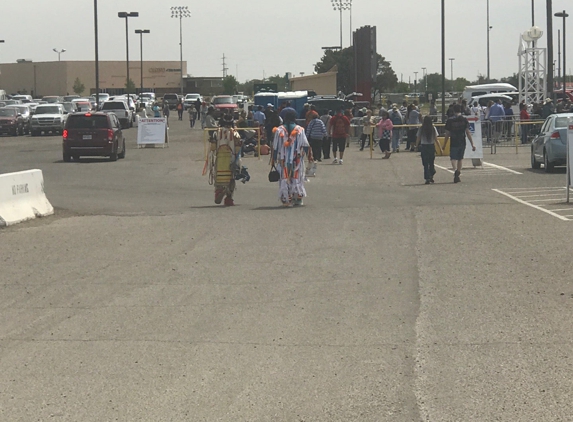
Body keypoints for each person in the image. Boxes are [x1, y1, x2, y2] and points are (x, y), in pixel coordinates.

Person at [272, 110, 310, 207]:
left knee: (284, 178)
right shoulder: (300, 130)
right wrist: (308, 155)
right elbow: (305, 144)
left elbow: (275, 147)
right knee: (296, 177)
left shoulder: (279, 130)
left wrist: (273, 159)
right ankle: (297, 198)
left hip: (282, 159)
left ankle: (286, 199)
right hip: (296, 158)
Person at [207, 114, 244, 206]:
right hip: (231, 158)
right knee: (231, 178)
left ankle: (219, 192)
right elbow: (237, 149)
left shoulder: (217, 132)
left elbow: (213, 147)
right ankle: (228, 198)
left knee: (219, 178)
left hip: (220, 159)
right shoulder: (235, 133)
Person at [443, 104, 476, 183]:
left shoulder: (450, 120)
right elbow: (468, 132)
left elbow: (447, 134)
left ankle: (455, 170)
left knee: (453, 158)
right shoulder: (464, 120)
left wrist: (444, 145)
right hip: (462, 140)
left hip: (453, 140)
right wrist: (472, 144)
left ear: (453, 111)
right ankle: (458, 171)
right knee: (460, 158)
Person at [416, 115, 441, 184]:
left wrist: (416, 145)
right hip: (431, 146)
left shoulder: (421, 128)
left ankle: (427, 177)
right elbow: (436, 139)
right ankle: (431, 174)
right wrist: (440, 148)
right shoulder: (433, 128)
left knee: (425, 163)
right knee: (431, 162)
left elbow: (418, 138)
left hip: (424, 147)